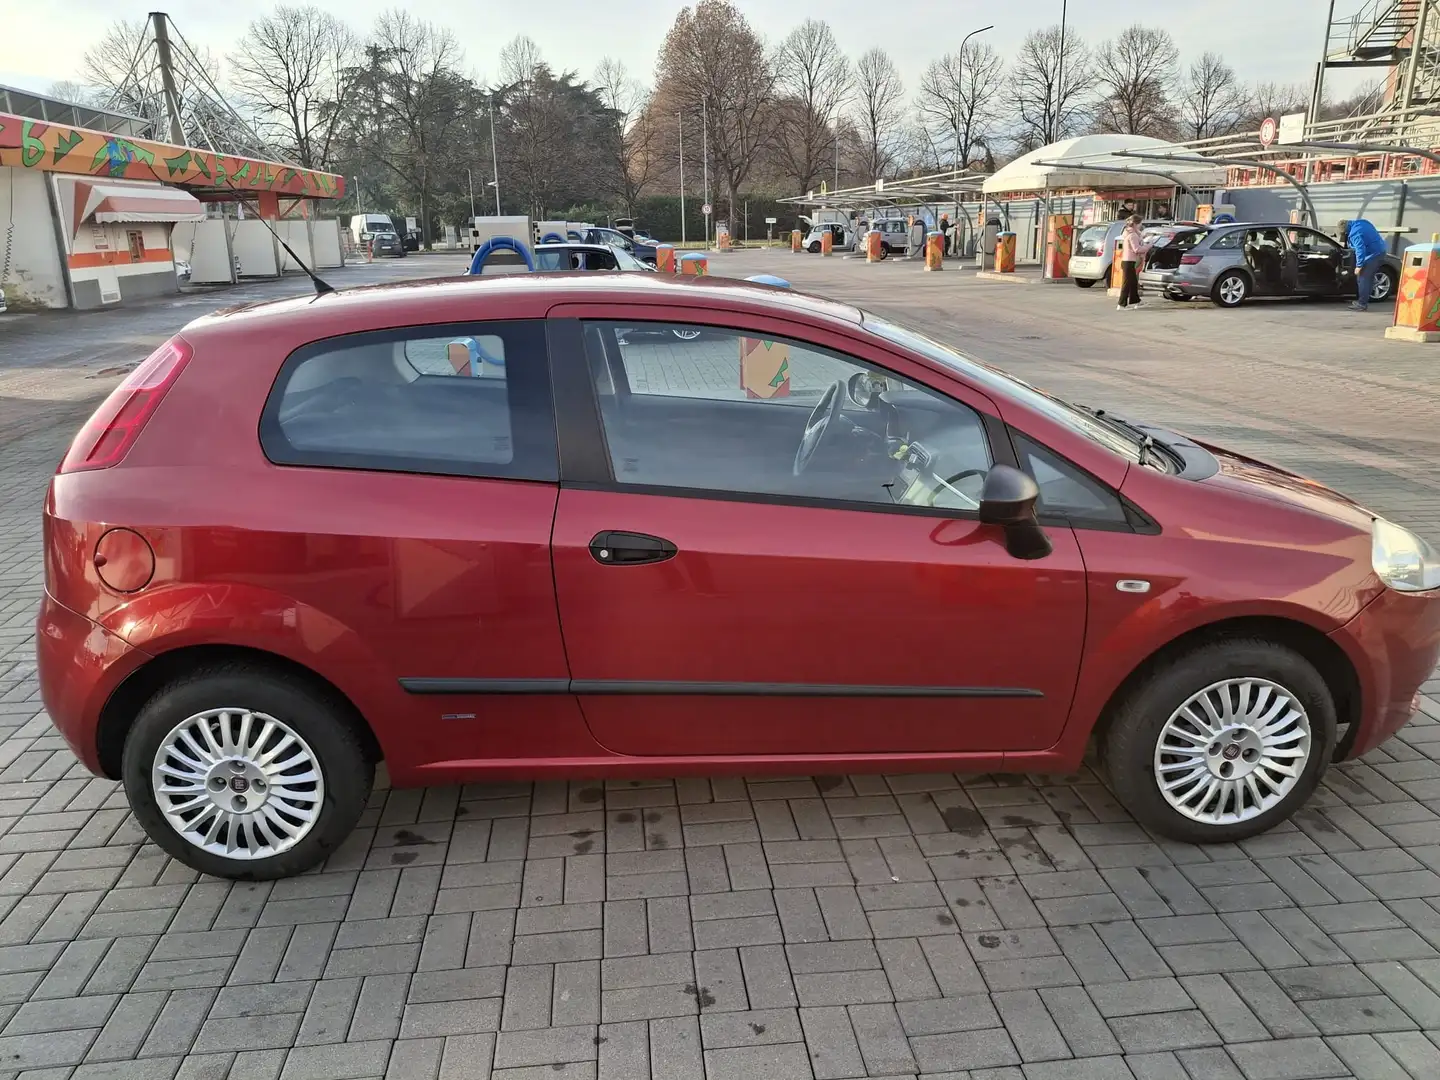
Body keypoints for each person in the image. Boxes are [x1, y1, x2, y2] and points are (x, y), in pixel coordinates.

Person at [1339, 218, 1388, 311]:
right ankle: (1363, 301)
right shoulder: (1362, 222)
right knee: (1368, 278)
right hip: (1380, 251)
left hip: (1372, 255)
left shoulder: (1354, 234)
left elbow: (1360, 250)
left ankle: (1362, 304)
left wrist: (1359, 266)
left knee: (1363, 279)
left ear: (1346, 230)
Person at [1117, 215, 1147, 310]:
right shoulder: (1133, 235)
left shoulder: (1129, 233)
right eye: (1140, 223)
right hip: (1129, 262)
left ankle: (1136, 301)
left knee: (1133, 283)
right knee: (1126, 284)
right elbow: (1137, 249)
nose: (1141, 225)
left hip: (1128, 261)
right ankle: (1121, 304)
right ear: (1135, 224)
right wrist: (1149, 246)